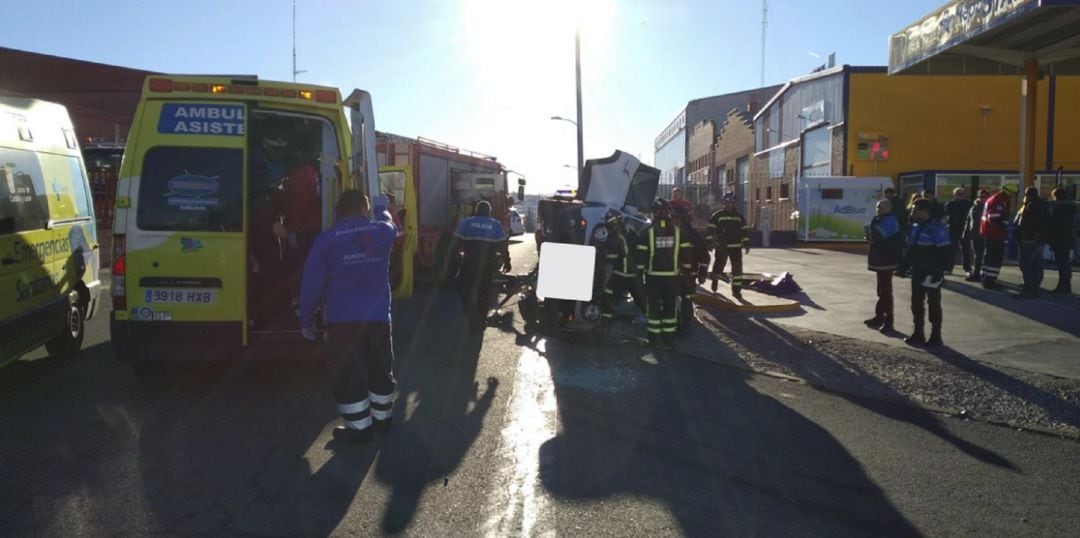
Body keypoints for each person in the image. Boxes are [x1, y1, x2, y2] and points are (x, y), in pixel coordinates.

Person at [300, 190, 398, 444]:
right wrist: (381, 207)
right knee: (380, 368)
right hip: (378, 317)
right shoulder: (382, 232)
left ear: (338, 212)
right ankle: (383, 422)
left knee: (348, 373)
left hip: (343, 320)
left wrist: (307, 322)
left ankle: (359, 430)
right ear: (364, 209)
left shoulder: (327, 240)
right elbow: (390, 223)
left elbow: (311, 285)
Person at [636, 198, 691, 348]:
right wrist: (685, 274)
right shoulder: (678, 232)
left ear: (654, 213)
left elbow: (640, 257)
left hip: (653, 278)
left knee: (653, 308)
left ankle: (654, 340)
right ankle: (669, 339)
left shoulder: (647, 233)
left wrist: (639, 276)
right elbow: (686, 256)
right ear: (668, 212)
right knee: (670, 307)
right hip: (672, 278)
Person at [898, 199, 951, 348]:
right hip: (918, 271)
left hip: (931, 271)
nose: (912, 213)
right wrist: (904, 266)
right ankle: (918, 333)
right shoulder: (915, 227)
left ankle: (936, 336)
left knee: (933, 303)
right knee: (916, 302)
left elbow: (945, 251)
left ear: (924, 211)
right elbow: (912, 249)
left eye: (915, 211)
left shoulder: (937, 228)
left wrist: (938, 272)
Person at [451, 200, 511, 330]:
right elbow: (502, 246)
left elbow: (455, 243)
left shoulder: (466, 222)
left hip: (469, 263)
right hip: (487, 265)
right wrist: (507, 261)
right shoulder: (495, 225)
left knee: (463, 290)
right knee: (484, 292)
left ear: (476, 211)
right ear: (489, 212)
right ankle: (481, 318)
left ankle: (472, 315)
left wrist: (454, 257)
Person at [598, 210, 646, 332]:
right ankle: (653, 320)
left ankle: (605, 323)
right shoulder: (630, 232)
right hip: (634, 274)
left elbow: (612, 256)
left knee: (608, 294)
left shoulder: (615, 234)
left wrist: (602, 255)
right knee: (641, 298)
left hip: (621, 274)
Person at [864, 199, 903, 333]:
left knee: (886, 291)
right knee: (881, 290)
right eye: (877, 207)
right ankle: (879, 316)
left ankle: (888, 321)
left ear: (888, 208)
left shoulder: (890, 221)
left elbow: (881, 236)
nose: (878, 209)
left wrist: (870, 231)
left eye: (881, 207)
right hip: (879, 259)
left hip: (887, 260)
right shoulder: (879, 219)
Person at [672, 204, 710, 333]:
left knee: (687, 298)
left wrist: (702, 274)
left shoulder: (693, 235)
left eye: (676, 218)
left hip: (689, 274)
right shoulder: (669, 233)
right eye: (672, 218)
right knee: (674, 297)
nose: (673, 221)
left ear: (684, 219)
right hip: (673, 274)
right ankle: (676, 322)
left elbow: (704, 256)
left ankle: (686, 323)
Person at [706, 192, 750, 298]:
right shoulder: (717, 215)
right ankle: (715, 279)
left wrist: (746, 243)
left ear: (734, 203)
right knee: (719, 265)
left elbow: (744, 231)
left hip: (736, 246)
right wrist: (710, 242)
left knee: (737, 269)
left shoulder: (739, 217)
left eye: (731, 202)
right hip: (722, 246)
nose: (729, 204)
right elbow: (710, 229)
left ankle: (736, 291)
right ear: (723, 203)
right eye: (727, 202)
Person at [979, 183, 1019, 289]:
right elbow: (994, 218)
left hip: (990, 233)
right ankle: (990, 281)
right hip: (995, 234)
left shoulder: (994, 199)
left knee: (988, 257)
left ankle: (986, 278)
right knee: (995, 258)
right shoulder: (998, 202)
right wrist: (1006, 226)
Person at [1014, 186, 1050, 299]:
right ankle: (1035, 287)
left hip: (1030, 239)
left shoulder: (1031, 206)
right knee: (1037, 263)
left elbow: (1027, 224)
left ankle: (1028, 290)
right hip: (1039, 240)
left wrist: (1024, 236)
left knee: (1025, 264)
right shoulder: (1044, 205)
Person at [1049, 188, 1077, 294]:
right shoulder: (1071, 208)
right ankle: (1066, 286)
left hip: (1059, 239)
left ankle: (1062, 286)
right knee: (1065, 263)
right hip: (1068, 238)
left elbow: (1055, 225)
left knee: (1061, 264)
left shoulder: (1058, 209)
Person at [943, 187, 972, 275]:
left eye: (962, 194)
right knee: (951, 249)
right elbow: (946, 216)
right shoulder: (949, 204)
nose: (960, 196)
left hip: (964, 229)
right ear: (954, 195)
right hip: (952, 229)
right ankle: (948, 268)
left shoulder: (968, 204)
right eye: (958, 194)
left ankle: (968, 269)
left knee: (966, 250)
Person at [963, 188, 990, 282]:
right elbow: (968, 221)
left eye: (984, 196)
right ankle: (977, 272)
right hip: (974, 234)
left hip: (984, 235)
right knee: (976, 255)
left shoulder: (989, 207)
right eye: (980, 196)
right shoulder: (974, 207)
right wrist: (965, 233)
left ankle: (981, 273)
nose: (981, 198)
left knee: (982, 255)